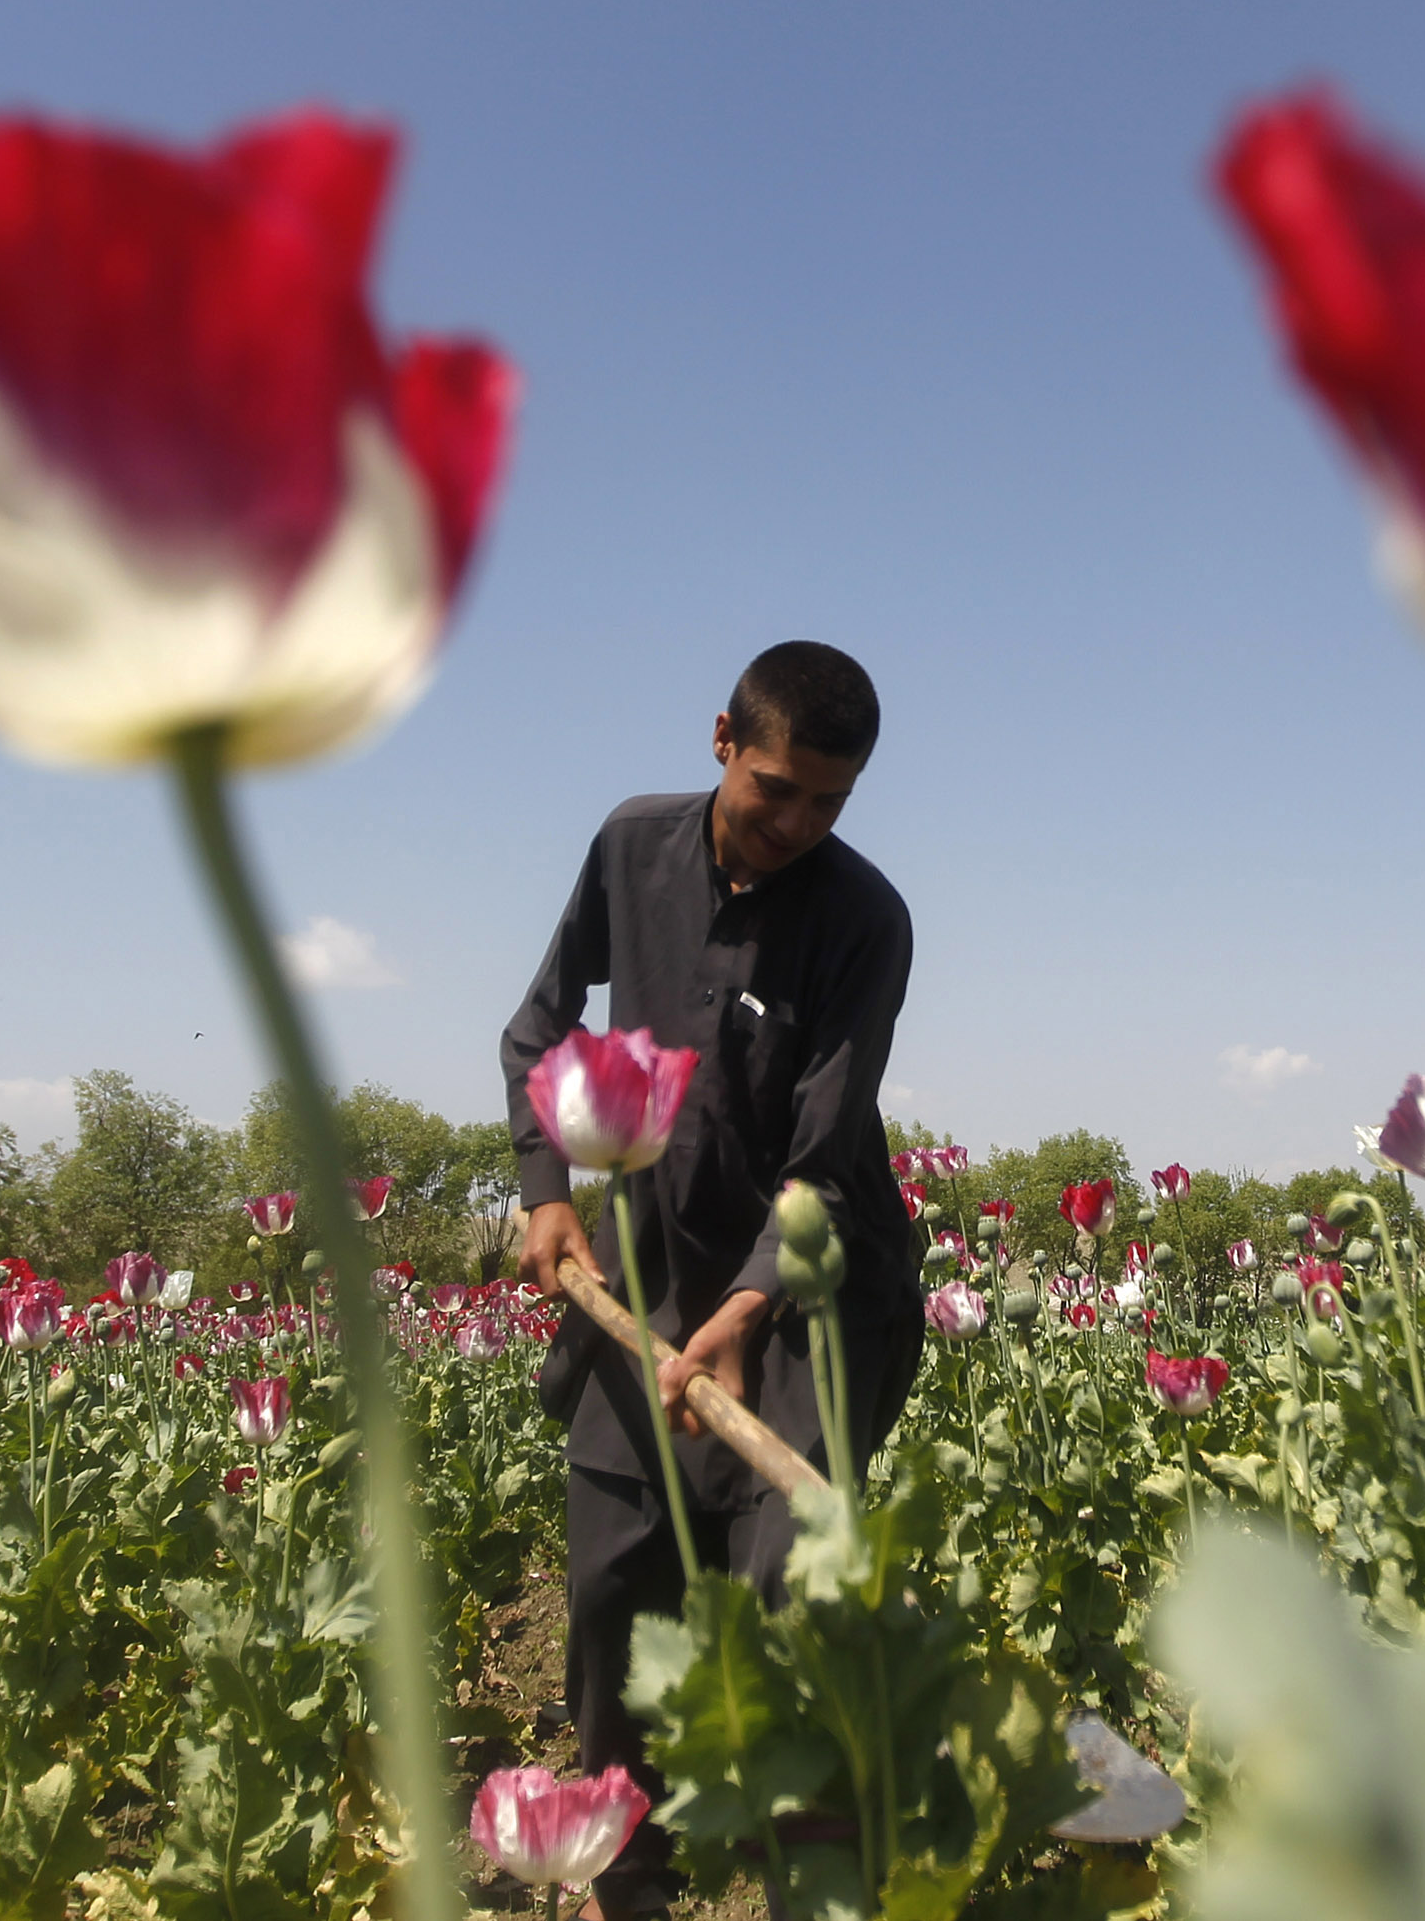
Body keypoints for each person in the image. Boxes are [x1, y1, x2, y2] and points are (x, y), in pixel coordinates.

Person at [501, 639, 924, 1918]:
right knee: (609, 1597)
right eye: (774, 787)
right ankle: (626, 1886)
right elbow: (537, 1025)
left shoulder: (865, 921)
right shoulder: (631, 848)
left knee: (785, 1617)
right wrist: (547, 1190)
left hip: (807, 1307)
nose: (796, 822)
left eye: (828, 802)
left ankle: (817, 1888)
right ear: (723, 737)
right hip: (641, 1285)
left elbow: (824, 1157)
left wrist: (744, 1312)